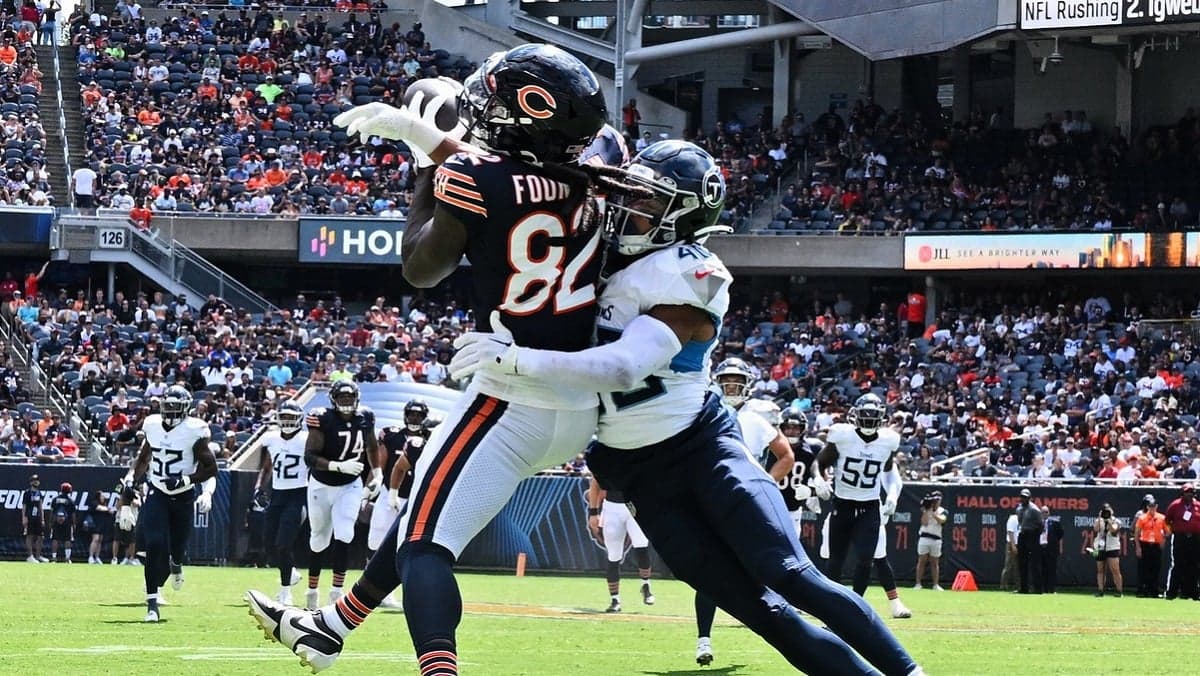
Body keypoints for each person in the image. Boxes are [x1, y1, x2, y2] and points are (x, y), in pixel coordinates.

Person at [450, 141, 921, 674]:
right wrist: (425, 139)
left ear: (683, 215)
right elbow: (512, 177)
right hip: (638, 474)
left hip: (701, 449)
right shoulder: (604, 255)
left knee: (791, 576)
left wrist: (516, 360)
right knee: (763, 614)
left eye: (648, 200)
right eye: (633, 193)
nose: (631, 205)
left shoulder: (689, 271)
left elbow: (625, 367)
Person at [246, 44, 615, 675]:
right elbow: (522, 184)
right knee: (424, 513)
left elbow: (420, 267)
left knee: (423, 546)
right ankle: (330, 628)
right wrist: (428, 139)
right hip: (577, 398)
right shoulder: (600, 177)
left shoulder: (472, 176)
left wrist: (426, 167)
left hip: (509, 398)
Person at [694, 361, 795, 665]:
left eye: (736, 380)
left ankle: (787, 632)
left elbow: (786, 456)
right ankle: (703, 640)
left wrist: (764, 483)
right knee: (708, 571)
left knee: (764, 568)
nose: (731, 386)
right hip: (711, 499)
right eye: (726, 380)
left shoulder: (756, 418)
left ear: (748, 384)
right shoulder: (704, 412)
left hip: (747, 503)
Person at [119, 385, 218, 622]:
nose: (171, 410)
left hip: (183, 496)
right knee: (154, 544)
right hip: (157, 492)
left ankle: (176, 563)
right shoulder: (152, 425)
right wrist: (130, 483)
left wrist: (186, 481)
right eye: (168, 405)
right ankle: (152, 604)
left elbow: (211, 468)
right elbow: (143, 458)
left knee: (177, 548)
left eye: (175, 406)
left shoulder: (194, 430)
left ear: (185, 408)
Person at [815, 393, 913, 619]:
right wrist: (818, 479)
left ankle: (855, 605)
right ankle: (832, 606)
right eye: (865, 416)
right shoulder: (842, 435)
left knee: (867, 557)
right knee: (836, 559)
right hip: (843, 503)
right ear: (855, 416)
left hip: (869, 505)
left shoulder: (888, 440)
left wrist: (892, 494)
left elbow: (888, 470)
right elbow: (819, 463)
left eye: (873, 416)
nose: (869, 421)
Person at [300, 380, 382, 610]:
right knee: (319, 538)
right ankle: (312, 591)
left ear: (357, 398)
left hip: (350, 485)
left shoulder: (366, 417)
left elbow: (372, 446)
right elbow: (310, 456)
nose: (346, 402)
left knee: (345, 533)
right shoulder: (322, 417)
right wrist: (337, 466)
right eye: (342, 398)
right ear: (333, 400)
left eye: (350, 397)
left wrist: (377, 473)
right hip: (321, 484)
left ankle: (336, 593)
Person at [370, 399, 432, 609]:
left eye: (419, 415)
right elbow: (388, 465)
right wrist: (385, 490)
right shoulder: (393, 435)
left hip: (415, 497)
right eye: (411, 414)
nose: (414, 418)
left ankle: (394, 593)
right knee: (377, 539)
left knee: (404, 545)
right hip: (392, 494)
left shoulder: (430, 439)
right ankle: (371, 588)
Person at [256, 400, 308, 605]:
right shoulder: (271, 438)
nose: (286, 421)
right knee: (269, 544)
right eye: (284, 416)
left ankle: (285, 591)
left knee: (284, 544)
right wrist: (258, 488)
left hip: (298, 494)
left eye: (290, 417)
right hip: (277, 495)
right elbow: (266, 467)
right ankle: (290, 572)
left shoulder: (306, 439)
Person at [586, 473, 654, 614]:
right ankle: (615, 599)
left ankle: (646, 585)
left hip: (633, 505)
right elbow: (595, 483)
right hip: (612, 506)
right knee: (613, 555)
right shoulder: (607, 463)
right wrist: (593, 513)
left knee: (641, 545)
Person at [1164, 483, 1200, 600]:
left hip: (1195, 539)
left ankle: (1193, 593)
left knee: (1194, 565)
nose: (1189, 494)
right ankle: (1172, 593)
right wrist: (1171, 531)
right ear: (1182, 493)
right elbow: (1167, 520)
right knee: (1178, 565)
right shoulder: (1175, 505)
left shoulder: (1198, 505)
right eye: (1187, 492)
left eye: (1191, 492)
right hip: (1180, 538)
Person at [1134, 494, 1167, 598]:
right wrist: (1138, 547)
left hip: (1156, 546)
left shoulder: (1162, 518)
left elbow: (1168, 531)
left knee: (1155, 569)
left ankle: (1154, 591)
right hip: (1145, 545)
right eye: (1150, 506)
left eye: (1154, 506)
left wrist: (1163, 539)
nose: (1152, 508)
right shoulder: (1142, 518)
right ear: (1147, 507)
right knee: (1143, 569)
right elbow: (1136, 533)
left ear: (1156, 506)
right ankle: (1141, 591)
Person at [914, 491, 947, 590]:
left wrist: (933, 513)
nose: (936, 501)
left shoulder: (943, 511)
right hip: (924, 537)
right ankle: (918, 584)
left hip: (936, 539)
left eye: (938, 499)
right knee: (922, 561)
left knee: (934, 562)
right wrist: (927, 510)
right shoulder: (926, 509)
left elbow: (942, 520)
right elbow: (924, 523)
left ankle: (936, 585)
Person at [1015, 488, 1044, 594]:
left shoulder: (1034, 510)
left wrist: (1035, 536)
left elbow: (1041, 525)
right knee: (1022, 563)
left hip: (1032, 535)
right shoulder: (1019, 508)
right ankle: (1024, 588)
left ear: (1030, 498)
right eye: (1022, 497)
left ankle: (1037, 589)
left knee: (1035, 563)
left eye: (1026, 497)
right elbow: (1020, 521)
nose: (1023, 499)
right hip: (1022, 534)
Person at [1091, 502, 1122, 597]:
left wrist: (1108, 520)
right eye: (1104, 511)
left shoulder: (1116, 521)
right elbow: (1096, 530)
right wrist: (1100, 518)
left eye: (1108, 511)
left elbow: (1114, 530)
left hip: (1112, 547)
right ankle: (1100, 590)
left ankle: (1119, 591)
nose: (1106, 513)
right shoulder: (1098, 520)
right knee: (1100, 570)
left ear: (1112, 511)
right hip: (1099, 547)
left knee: (1115, 570)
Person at [21, 474, 47, 563]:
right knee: (30, 535)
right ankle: (30, 556)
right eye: (34, 480)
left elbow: (40, 506)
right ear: (31, 482)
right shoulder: (27, 493)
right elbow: (24, 506)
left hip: (38, 517)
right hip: (29, 517)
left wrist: (42, 518)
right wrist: (24, 518)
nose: (36, 482)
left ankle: (38, 556)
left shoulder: (39, 493)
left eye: (37, 480)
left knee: (40, 536)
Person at [48, 482, 76, 563]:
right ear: (69, 490)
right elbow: (73, 513)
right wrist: (74, 523)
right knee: (68, 539)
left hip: (56, 522)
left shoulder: (55, 499)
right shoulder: (70, 500)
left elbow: (52, 512)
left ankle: (54, 558)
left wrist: (50, 521)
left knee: (55, 539)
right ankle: (67, 558)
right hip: (67, 522)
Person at [1040, 504, 1064, 594]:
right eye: (1043, 512)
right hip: (1040, 549)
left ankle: (1051, 589)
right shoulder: (1037, 523)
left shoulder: (1055, 523)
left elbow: (1060, 535)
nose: (1044, 514)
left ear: (1049, 513)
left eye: (1046, 512)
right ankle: (1043, 589)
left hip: (1051, 549)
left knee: (1052, 569)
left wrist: (1059, 547)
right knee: (1041, 569)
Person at [1001, 507, 1019, 591]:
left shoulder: (1023, 518)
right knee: (1008, 565)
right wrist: (1013, 545)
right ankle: (1003, 585)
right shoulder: (1012, 518)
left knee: (1018, 567)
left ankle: (1018, 586)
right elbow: (1010, 532)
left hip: (1020, 544)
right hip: (1011, 544)